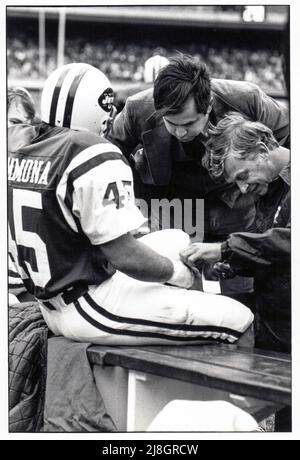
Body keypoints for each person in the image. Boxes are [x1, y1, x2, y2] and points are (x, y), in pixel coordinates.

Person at [8, 63, 253, 346]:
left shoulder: (19, 151)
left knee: (178, 238)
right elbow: (124, 257)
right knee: (240, 319)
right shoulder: (91, 152)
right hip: (91, 304)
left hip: (52, 297)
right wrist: (180, 276)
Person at [180, 112, 290, 431]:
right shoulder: (270, 193)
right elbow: (271, 249)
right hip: (277, 338)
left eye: (242, 175)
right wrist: (233, 265)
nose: (242, 188)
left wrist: (226, 248)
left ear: (260, 149)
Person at [107, 53, 289, 244]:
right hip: (172, 203)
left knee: (236, 263)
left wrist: (269, 192)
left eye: (189, 123)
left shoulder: (247, 100)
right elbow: (110, 153)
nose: (180, 133)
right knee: (175, 267)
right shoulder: (137, 110)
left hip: (235, 204)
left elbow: (287, 137)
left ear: (209, 105)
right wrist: (134, 199)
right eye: (171, 123)